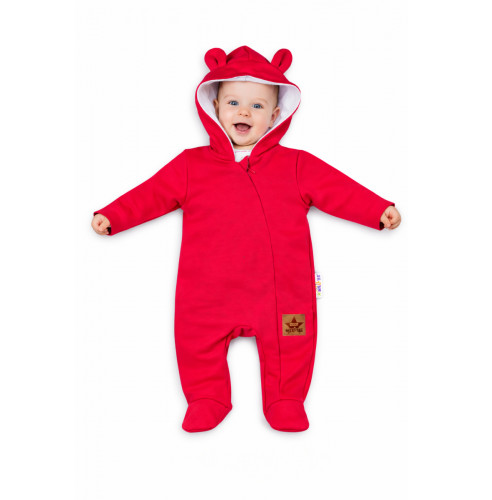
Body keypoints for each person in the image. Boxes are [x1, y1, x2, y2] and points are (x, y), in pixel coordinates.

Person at [91, 45, 402, 433]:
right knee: (196, 338)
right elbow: (151, 194)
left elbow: (338, 189)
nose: (244, 112)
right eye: (234, 102)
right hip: (208, 289)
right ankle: (207, 398)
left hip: (282, 289)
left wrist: (376, 209)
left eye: (257, 106)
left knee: (293, 339)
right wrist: (114, 215)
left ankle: (285, 399)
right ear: (214, 107)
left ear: (275, 116)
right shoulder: (191, 165)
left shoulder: (296, 165)